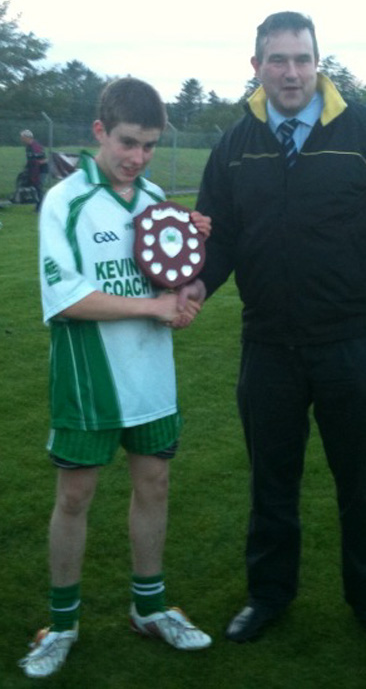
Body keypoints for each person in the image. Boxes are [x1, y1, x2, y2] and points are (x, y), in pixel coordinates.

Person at [178, 11, 366, 655]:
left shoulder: (365, 132)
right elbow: (219, 233)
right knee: (272, 483)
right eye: (278, 60)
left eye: (302, 59)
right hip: (268, 344)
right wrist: (197, 284)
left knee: (363, 485)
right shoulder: (236, 143)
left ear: (317, 63)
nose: (291, 72)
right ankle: (269, 595)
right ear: (257, 67)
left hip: (353, 342)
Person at [19, 77, 212, 680]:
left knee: (154, 486)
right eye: (129, 142)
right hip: (87, 376)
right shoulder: (65, 201)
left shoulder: (156, 199)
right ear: (100, 131)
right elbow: (66, 297)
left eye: (150, 145)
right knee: (74, 497)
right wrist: (154, 307)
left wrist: (184, 291)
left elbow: (168, 278)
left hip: (151, 375)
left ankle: (149, 609)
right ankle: (62, 623)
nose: (138, 158)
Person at [20, 129, 49, 210]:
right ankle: (39, 206)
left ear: (27, 137)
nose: (21, 139)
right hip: (34, 170)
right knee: (36, 188)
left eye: (22, 137)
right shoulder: (28, 147)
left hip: (41, 170)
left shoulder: (36, 146)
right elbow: (30, 160)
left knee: (39, 188)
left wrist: (36, 164)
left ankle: (42, 207)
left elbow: (44, 160)